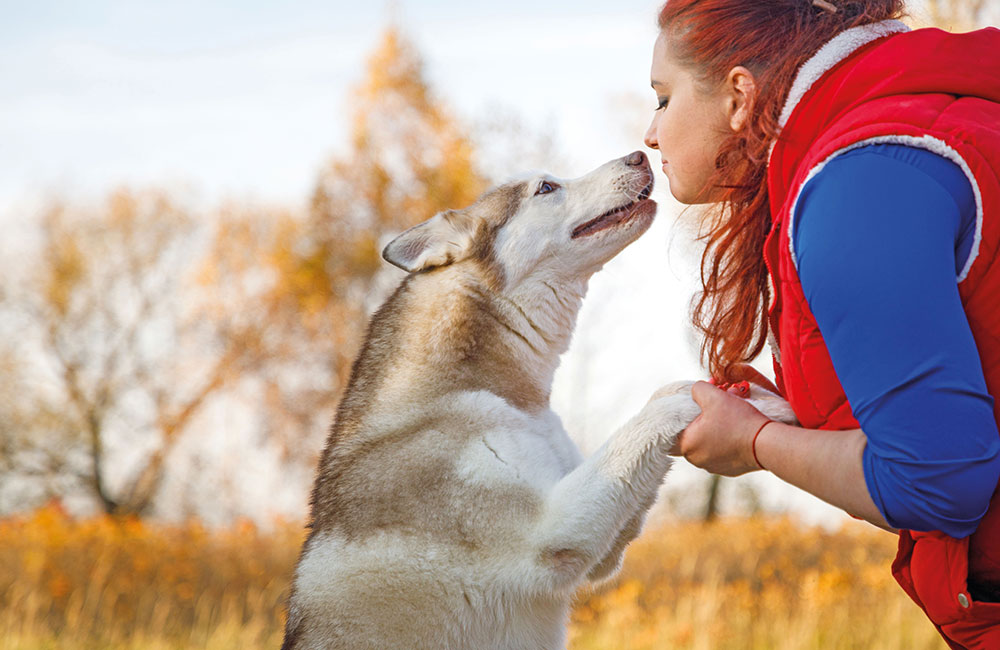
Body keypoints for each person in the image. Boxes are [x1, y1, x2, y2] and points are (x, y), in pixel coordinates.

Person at [642, 0, 1000, 647]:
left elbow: (941, 482)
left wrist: (754, 443)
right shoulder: (942, 120)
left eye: (664, 98)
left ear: (738, 95)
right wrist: (795, 418)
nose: (650, 131)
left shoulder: (857, 184)